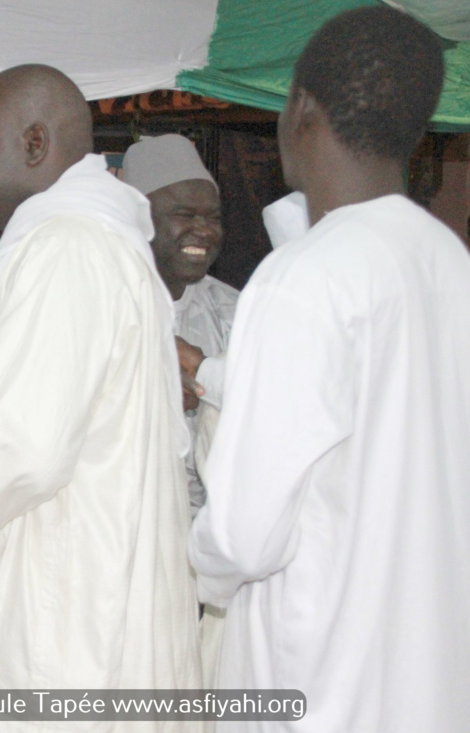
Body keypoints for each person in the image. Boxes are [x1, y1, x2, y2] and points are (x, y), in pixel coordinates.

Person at [0, 64, 201, 707]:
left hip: (57, 624)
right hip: (91, 601)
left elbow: (26, 449)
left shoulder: (67, 250)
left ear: (35, 143)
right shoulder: (100, 245)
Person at [189, 7, 470, 730]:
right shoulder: (449, 263)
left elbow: (246, 535)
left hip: (315, 683)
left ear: (302, 110)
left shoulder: (302, 276)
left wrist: (186, 555)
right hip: (428, 683)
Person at [120, 134, 238, 515]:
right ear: (139, 220)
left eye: (214, 217)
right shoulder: (101, 308)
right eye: (184, 215)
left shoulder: (236, 312)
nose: (204, 230)